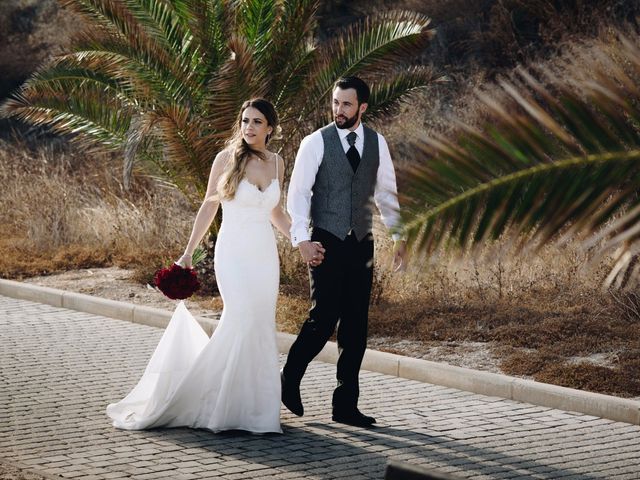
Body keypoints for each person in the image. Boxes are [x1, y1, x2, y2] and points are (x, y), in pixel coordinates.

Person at [107, 98, 291, 434]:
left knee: (261, 323)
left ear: (270, 127)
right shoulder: (226, 159)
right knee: (241, 316)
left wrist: (300, 240)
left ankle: (256, 411)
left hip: (264, 254)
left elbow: (275, 212)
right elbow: (209, 206)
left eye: (257, 122)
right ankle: (215, 405)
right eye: (245, 120)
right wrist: (189, 252)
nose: (249, 127)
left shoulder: (278, 162)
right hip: (233, 251)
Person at [281, 76, 407, 428]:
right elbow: (299, 194)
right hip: (324, 239)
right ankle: (288, 376)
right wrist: (301, 240)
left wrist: (398, 235)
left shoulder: (377, 143)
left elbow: (386, 194)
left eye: (347, 104)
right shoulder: (315, 142)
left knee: (355, 326)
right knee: (322, 319)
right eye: (336, 102)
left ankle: (345, 406)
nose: (339, 109)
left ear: (362, 107)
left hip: (361, 243)